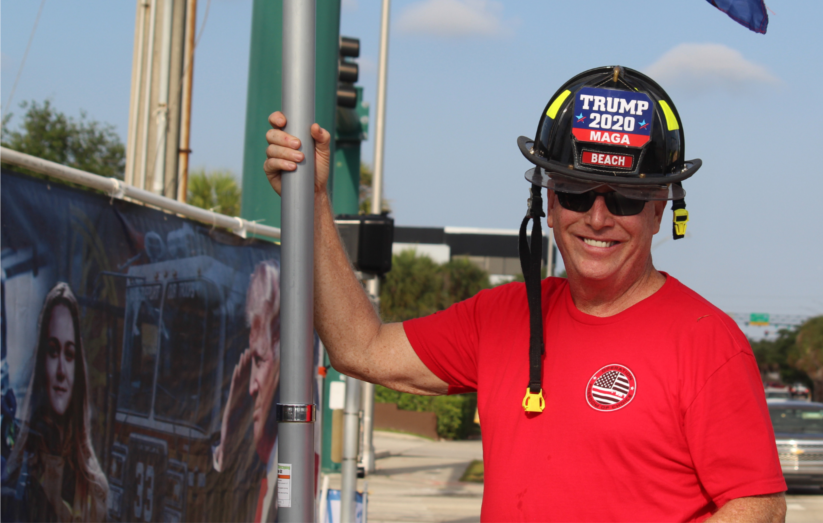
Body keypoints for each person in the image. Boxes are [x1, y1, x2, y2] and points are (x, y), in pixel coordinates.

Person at [263, 66, 787, 522]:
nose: (598, 218)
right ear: (549, 202)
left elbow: (759, 506)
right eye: (577, 192)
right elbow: (360, 347)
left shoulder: (707, 342)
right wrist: (313, 205)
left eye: (625, 198)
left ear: (658, 209)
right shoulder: (502, 318)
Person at [1, 282, 109, 522]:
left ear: (77, 369)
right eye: (52, 351)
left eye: (69, 355)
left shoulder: (95, 488)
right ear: (41, 363)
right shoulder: (16, 474)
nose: (61, 370)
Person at [211, 259, 281, 523]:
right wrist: (227, 440)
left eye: (260, 360)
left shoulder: (289, 460)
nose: (251, 386)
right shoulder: (254, 457)